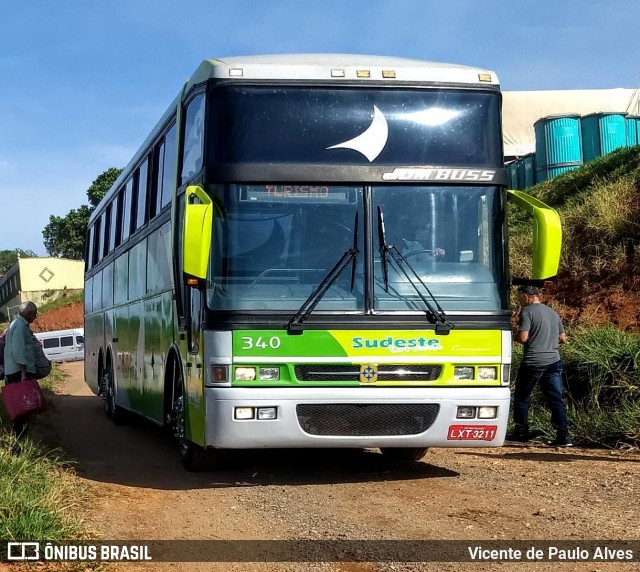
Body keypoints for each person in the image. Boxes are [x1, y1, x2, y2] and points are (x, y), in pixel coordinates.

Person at [509, 286, 571, 447]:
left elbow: (523, 338)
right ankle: (563, 436)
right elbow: (563, 338)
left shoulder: (527, 312)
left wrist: (511, 335)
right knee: (555, 400)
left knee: (522, 397)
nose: (520, 301)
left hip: (533, 362)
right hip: (554, 361)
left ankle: (521, 433)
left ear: (525, 296)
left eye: (520, 298)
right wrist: (547, 341)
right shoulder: (552, 312)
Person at [4, 301, 38, 436]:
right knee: (22, 410)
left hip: (15, 371)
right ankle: (20, 441)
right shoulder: (19, 326)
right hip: (18, 372)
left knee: (21, 409)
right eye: (34, 314)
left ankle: (20, 440)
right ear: (28, 313)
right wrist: (24, 372)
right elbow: (18, 351)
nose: (35, 317)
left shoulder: (16, 324)